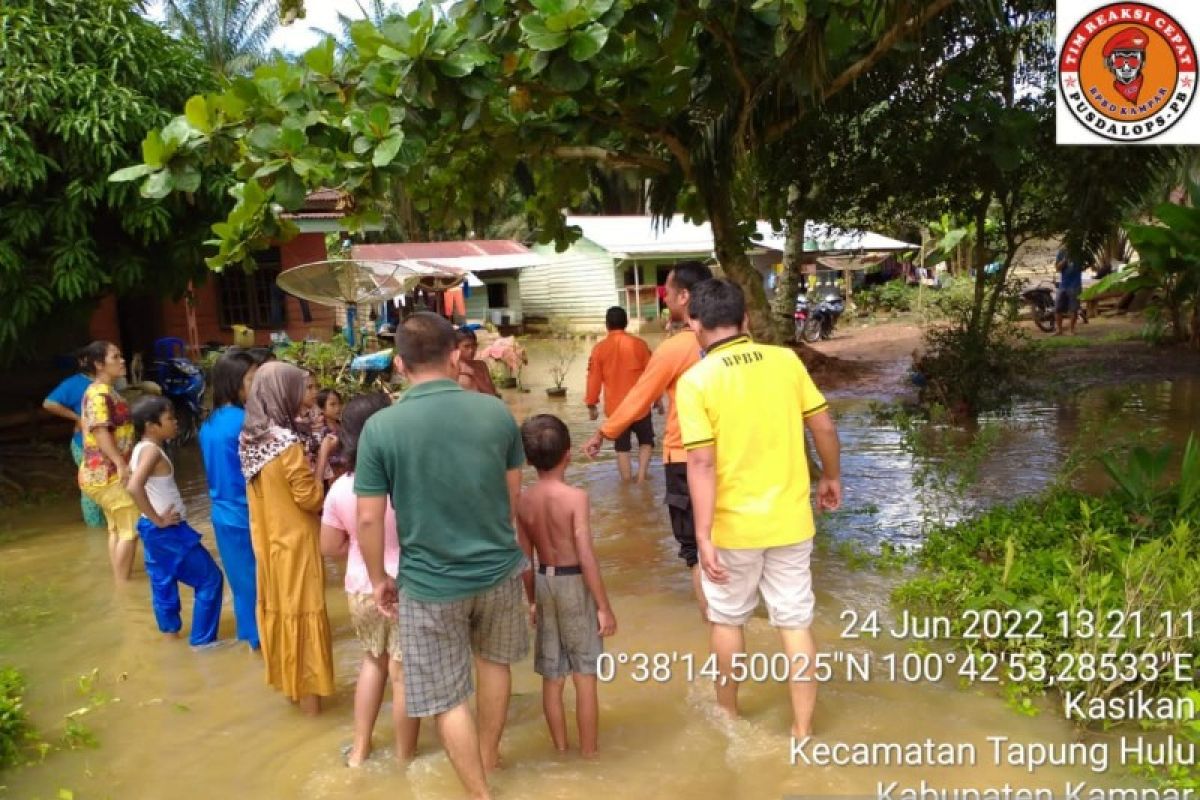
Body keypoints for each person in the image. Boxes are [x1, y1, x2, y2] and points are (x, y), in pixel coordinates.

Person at [356, 312, 530, 800]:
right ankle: (492, 759)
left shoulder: (380, 428)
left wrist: (377, 578)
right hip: (498, 570)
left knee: (446, 695)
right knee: (494, 665)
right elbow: (511, 494)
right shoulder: (495, 413)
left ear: (398, 364)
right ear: (456, 355)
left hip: (430, 584)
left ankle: (478, 792)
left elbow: (369, 520)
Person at [674, 279, 842, 739]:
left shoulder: (696, 381)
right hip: (791, 521)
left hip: (732, 529)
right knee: (795, 623)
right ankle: (803, 730)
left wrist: (703, 535)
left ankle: (728, 717)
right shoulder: (786, 361)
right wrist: (831, 476)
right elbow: (823, 426)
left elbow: (702, 462)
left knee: (727, 621)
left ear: (694, 324)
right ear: (745, 320)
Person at [582, 260, 713, 614]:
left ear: (684, 296)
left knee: (695, 551)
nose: (664, 299)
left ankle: (718, 629)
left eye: (667, 293)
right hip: (729, 455)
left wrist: (602, 429)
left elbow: (639, 393)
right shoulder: (733, 344)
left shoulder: (675, 346)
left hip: (684, 455)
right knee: (727, 542)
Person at [319, 392, 420, 767]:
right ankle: (405, 759)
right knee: (403, 673)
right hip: (405, 585)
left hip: (361, 587)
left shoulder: (341, 487)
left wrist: (359, 547)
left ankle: (359, 750)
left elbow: (329, 545)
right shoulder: (406, 481)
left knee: (372, 662)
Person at [517, 414, 616, 757]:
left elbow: (523, 561)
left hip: (544, 581)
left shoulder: (523, 501)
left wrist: (531, 601)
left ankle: (560, 750)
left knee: (552, 676)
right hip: (574, 581)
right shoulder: (576, 498)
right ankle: (589, 754)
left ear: (528, 459)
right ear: (568, 454)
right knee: (585, 675)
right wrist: (603, 607)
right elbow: (586, 555)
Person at [239, 361, 334, 715]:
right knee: (306, 619)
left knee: (282, 616)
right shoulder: (286, 444)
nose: (303, 396)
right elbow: (311, 499)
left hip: (268, 544)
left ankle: (295, 699)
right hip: (296, 543)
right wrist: (322, 457)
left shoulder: (250, 439)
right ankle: (312, 712)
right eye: (298, 388)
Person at [127, 396, 225, 647]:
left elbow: (132, 483)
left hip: (151, 529)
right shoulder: (152, 451)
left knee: (163, 582)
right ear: (151, 425)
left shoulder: (139, 448)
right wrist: (159, 520)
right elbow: (133, 486)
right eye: (169, 418)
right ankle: (202, 643)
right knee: (210, 580)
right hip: (167, 530)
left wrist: (153, 520)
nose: (175, 422)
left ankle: (171, 638)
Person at [198, 350, 261, 650]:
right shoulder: (245, 420)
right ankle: (262, 643)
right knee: (260, 584)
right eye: (252, 379)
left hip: (222, 513)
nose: (257, 384)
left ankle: (250, 640)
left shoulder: (208, 424)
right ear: (236, 382)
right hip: (247, 511)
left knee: (241, 584)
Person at [77, 341, 140, 582]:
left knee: (116, 527)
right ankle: (123, 584)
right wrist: (121, 464)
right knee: (131, 528)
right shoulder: (99, 394)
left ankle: (120, 579)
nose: (122, 360)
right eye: (116, 357)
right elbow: (101, 431)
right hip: (109, 473)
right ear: (99, 364)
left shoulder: (103, 391)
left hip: (99, 473)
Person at [584, 306, 655, 483]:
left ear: (606, 325)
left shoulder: (599, 349)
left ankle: (626, 483)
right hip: (640, 406)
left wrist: (592, 404)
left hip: (617, 410)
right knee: (646, 442)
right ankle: (641, 478)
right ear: (626, 323)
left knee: (622, 448)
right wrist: (658, 399)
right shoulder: (640, 345)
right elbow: (653, 373)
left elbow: (594, 379)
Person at [43, 350, 105, 528]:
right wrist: (78, 418)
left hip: (106, 443)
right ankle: (95, 532)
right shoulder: (75, 383)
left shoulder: (108, 384)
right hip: (85, 444)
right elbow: (49, 403)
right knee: (92, 488)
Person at [313, 388, 346, 486]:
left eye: (339, 404)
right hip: (330, 479)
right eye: (332, 404)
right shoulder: (320, 430)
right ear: (322, 408)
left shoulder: (344, 426)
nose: (338, 408)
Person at [455, 327, 500, 396]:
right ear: (456, 347)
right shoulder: (452, 369)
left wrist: (474, 375)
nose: (471, 350)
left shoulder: (481, 365)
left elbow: (491, 393)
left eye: (474, 345)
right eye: (466, 346)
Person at [1055, 248, 1085, 335]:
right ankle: (1059, 330)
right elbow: (1057, 268)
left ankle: (1072, 330)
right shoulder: (1062, 252)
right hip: (1063, 285)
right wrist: (1065, 260)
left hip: (1075, 285)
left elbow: (1086, 265)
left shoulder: (1080, 252)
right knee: (1058, 308)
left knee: (1073, 309)